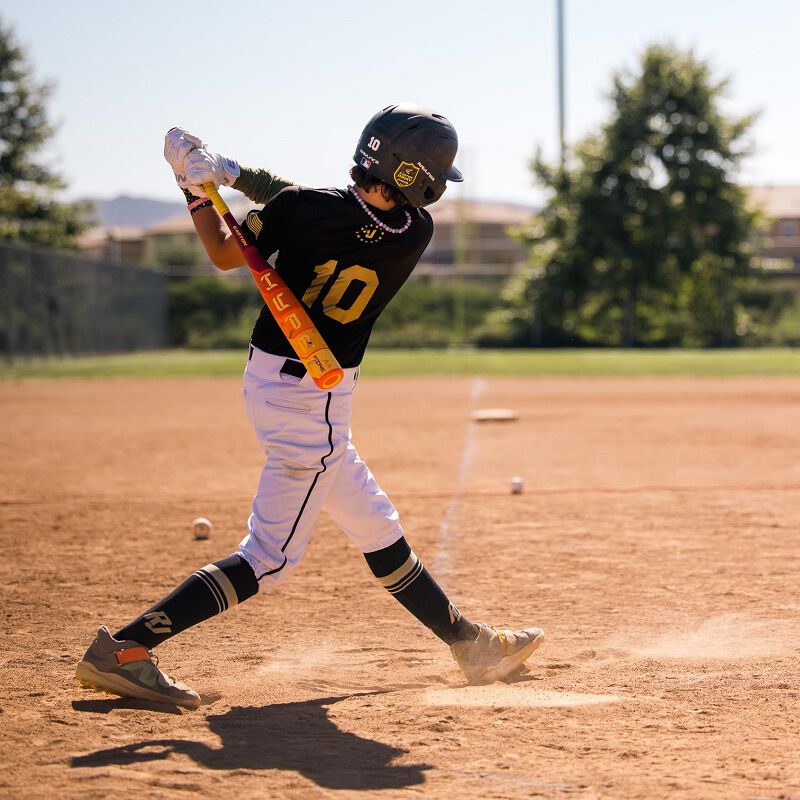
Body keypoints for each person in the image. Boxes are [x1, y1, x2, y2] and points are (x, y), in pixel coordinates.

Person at [76, 105, 544, 709]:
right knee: (267, 558)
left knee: (375, 524)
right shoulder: (414, 232)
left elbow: (229, 250)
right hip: (314, 403)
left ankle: (470, 643)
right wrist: (231, 174)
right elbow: (318, 205)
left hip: (271, 384)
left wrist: (197, 188)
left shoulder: (301, 209)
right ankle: (127, 648)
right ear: (414, 177)